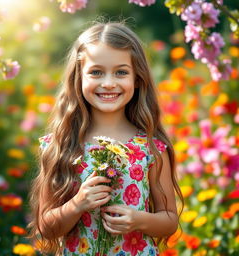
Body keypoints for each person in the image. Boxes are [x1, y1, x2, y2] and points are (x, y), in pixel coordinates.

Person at [26, 21, 184, 256]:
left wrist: (138, 220)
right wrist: (77, 204)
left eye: (121, 72)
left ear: (138, 79)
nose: (108, 83)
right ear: (78, 78)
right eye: (96, 72)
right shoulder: (61, 145)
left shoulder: (151, 148)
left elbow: (169, 219)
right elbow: (46, 228)